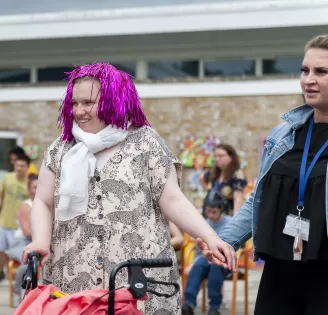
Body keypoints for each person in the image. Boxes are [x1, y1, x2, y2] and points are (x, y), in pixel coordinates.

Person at [22, 62, 236, 314]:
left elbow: (171, 199)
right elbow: (44, 202)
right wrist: (40, 241)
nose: (79, 111)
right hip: (73, 282)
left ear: (112, 99)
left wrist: (210, 237)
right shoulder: (60, 149)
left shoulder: (146, 142)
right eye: (74, 103)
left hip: (136, 279)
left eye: (88, 103)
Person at [201, 34, 328, 314]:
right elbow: (258, 197)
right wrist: (225, 241)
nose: (308, 79)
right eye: (305, 70)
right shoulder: (282, 135)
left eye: (321, 72)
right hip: (280, 268)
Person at [182, 191, 231, 315]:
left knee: (216, 265)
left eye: (214, 212)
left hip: (224, 260)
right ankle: (188, 304)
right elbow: (199, 251)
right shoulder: (205, 223)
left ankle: (214, 307)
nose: (210, 215)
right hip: (205, 259)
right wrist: (193, 263)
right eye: (208, 211)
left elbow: (234, 246)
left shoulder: (230, 223)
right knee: (198, 266)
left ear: (222, 210)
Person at [0, 153, 30, 287]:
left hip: (18, 226)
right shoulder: (7, 178)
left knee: (15, 254)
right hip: (4, 221)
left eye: (22, 166)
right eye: (17, 165)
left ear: (27, 168)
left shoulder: (29, 184)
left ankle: (14, 278)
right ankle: (0, 272)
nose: (19, 168)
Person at [7, 174, 37, 307]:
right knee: (28, 262)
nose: (36, 190)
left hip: (36, 241)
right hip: (22, 242)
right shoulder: (26, 206)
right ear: (29, 189)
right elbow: (27, 232)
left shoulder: (46, 204)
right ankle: (16, 289)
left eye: (38, 187)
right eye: (34, 187)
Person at [199, 144, 247, 215]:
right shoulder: (214, 172)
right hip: (210, 216)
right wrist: (209, 192)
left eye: (221, 156)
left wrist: (235, 220)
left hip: (225, 217)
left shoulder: (237, 175)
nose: (217, 159)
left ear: (231, 157)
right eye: (215, 156)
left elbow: (238, 200)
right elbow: (201, 178)